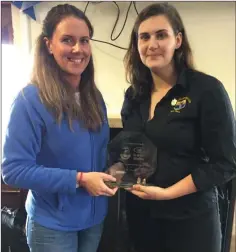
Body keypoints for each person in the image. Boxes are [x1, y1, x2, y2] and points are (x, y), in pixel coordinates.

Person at [1, 4, 118, 252]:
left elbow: (95, 152)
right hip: (52, 225)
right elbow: (12, 170)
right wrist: (79, 179)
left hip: (94, 219)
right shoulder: (28, 100)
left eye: (84, 40)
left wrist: (115, 168)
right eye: (67, 40)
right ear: (49, 45)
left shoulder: (94, 97)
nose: (78, 49)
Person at [121, 3, 236, 252]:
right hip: (142, 217)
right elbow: (131, 152)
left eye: (161, 35)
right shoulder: (133, 95)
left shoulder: (207, 90)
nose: (152, 44)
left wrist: (168, 193)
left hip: (191, 220)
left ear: (178, 40)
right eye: (144, 37)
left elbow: (226, 163)